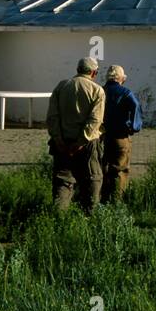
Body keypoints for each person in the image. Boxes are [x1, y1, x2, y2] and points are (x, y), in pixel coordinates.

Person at [46, 57, 105, 212]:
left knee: (62, 181)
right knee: (92, 179)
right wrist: (80, 142)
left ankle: (59, 216)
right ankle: (90, 215)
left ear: (78, 69)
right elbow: (95, 120)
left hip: (62, 143)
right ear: (93, 72)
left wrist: (58, 139)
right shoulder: (97, 90)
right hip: (87, 145)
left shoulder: (61, 86)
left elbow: (52, 117)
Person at [100, 65, 142, 203]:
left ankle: (103, 199)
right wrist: (134, 126)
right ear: (121, 79)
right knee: (120, 169)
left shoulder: (101, 91)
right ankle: (117, 202)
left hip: (103, 136)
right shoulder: (125, 92)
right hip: (121, 136)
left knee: (104, 168)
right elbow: (135, 105)